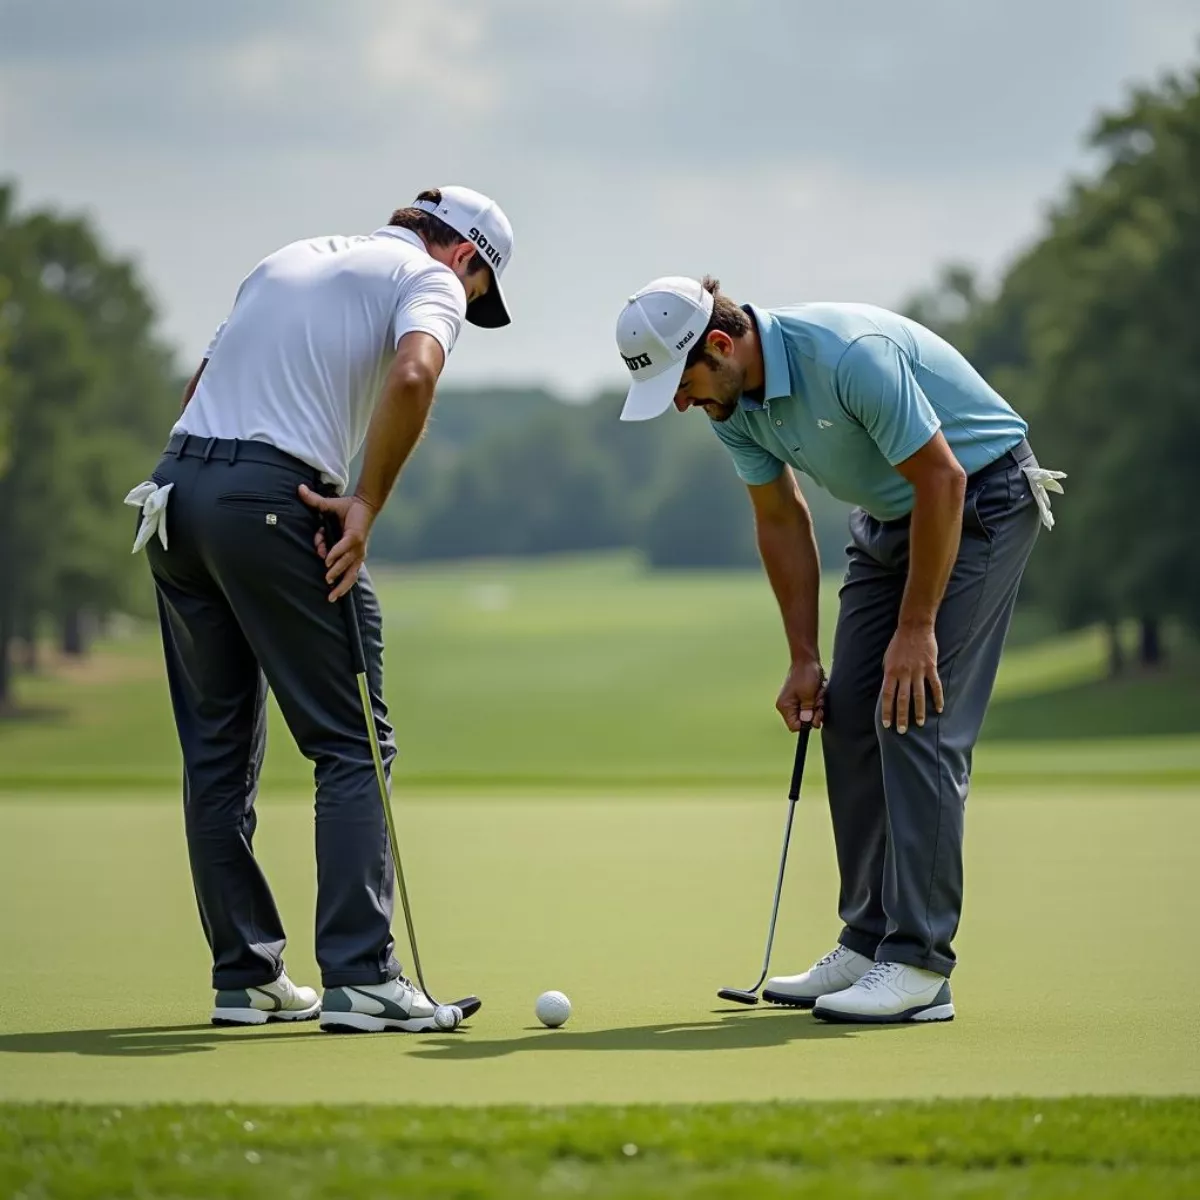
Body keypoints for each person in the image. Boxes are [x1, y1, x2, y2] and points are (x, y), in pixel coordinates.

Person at [614, 276, 1064, 1024]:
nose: (685, 405)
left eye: (684, 384)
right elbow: (782, 518)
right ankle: (867, 940)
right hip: (889, 521)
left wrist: (917, 628)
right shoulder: (733, 405)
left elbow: (943, 479)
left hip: (979, 502)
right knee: (849, 712)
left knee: (914, 715)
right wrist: (802, 655)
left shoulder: (850, 356)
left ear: (721, 347)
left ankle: (920, 965)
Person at [125, 186, 514, 1033]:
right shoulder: (431, 280)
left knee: (218, 753)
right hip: (272, 499)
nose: (468, 301)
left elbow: (200, 383)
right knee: (352, 742)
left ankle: (247, 976)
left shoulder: (285, 258)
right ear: (466, 257)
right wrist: (366, 502)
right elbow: (414, 373)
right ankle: (362, 977)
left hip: (173, 496)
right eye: (480, 291)